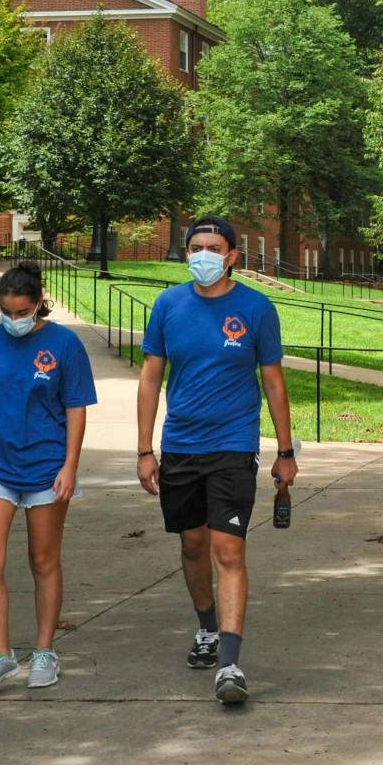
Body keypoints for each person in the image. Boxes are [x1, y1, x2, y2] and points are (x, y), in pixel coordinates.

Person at [136, 216, 296, 705]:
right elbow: (149, 379)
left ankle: (229, 663)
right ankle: (206, 626)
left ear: (232, 257)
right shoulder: (167, 306)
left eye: (213, 247)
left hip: (233, 444)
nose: (203, 254)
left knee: (228, 552)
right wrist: (145, 449)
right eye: (196, 246)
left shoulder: (256, 308)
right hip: (180, 445)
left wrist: (285, 453)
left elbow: (272, 382)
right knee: (191, 545)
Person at [0, 262, 96, 698]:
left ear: (38, 301)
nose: (13, 320)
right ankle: (1, 655)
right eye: (5, 312)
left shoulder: (64, 344)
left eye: (22, 311)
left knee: (44, 561)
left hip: (46, 466)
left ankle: (45, 651)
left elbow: (76, 408)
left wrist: (69, 465)